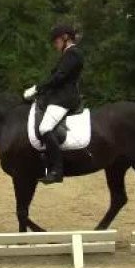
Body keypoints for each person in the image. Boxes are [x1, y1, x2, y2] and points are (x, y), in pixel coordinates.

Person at [23, 25, 84, 184]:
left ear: (65, 38)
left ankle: (57, 170)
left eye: (56, 41)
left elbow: (59, 77)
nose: (55, 45)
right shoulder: (67, 54)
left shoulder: (73, 53)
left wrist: (37, 88)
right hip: (57, 97)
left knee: (45, 128)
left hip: (65, 98)